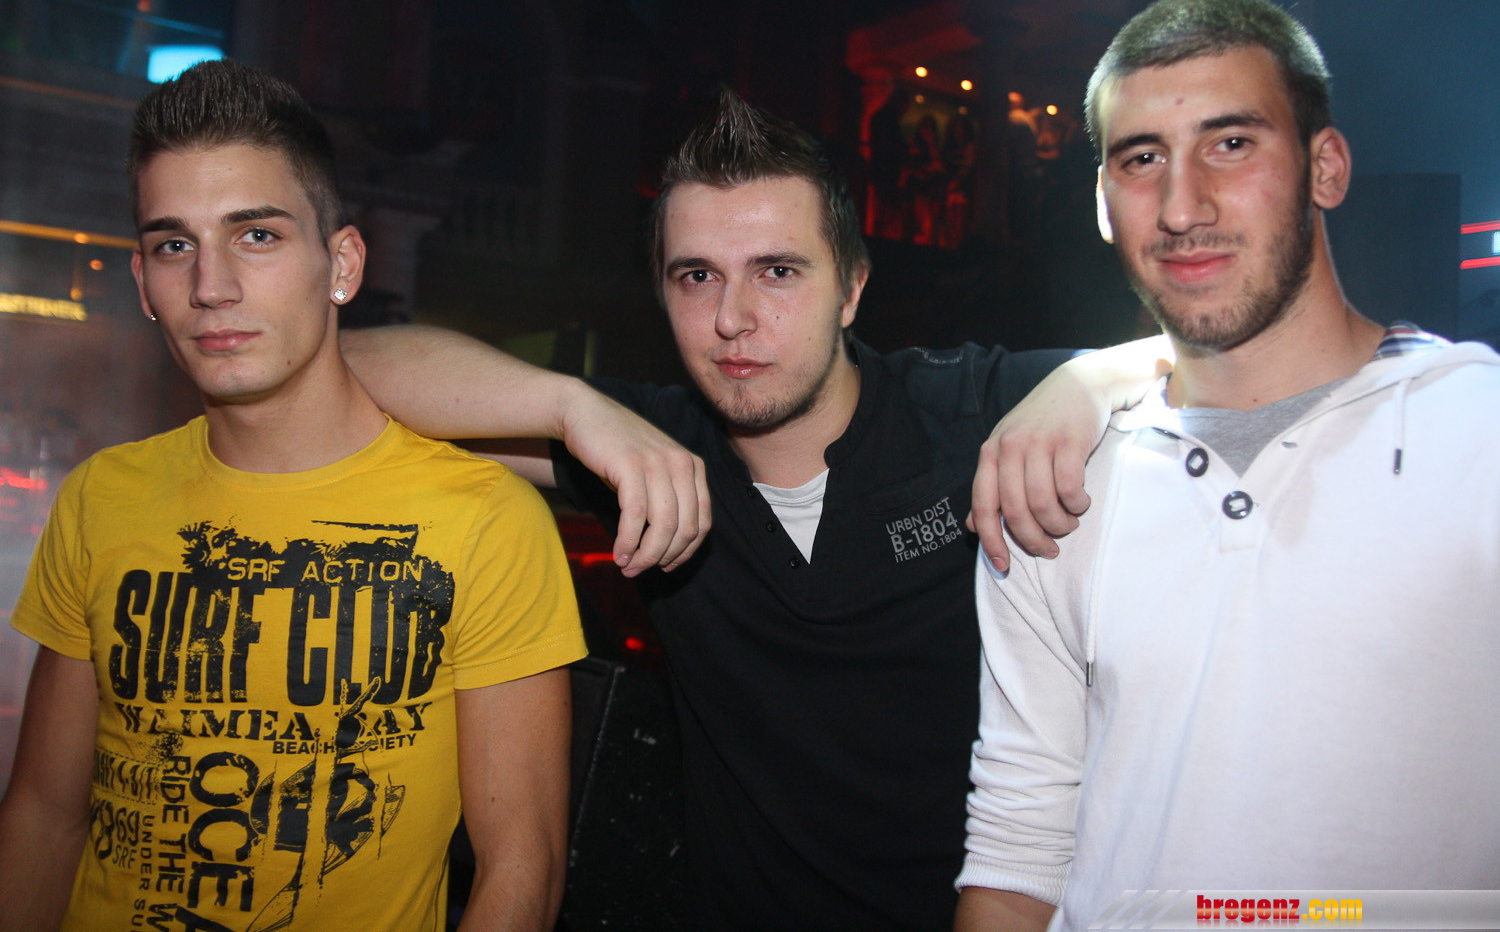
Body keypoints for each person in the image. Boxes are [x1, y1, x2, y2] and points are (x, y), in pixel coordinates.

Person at [343, 89, 1168, 930]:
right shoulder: (649, 447)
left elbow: (1215, 353)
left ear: (851, 289)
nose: (732, 319)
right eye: (697, 277)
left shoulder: (968, 408)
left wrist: (1091, 378)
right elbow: (341, 371)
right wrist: (569, 408)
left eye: (778, 272)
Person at [956, 0, 1500, 932]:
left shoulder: (1475, 431)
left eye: (1231, 143)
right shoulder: (1053, 479)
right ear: (1102, 203)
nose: (1182, 206)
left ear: (1325, 166)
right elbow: (1016, 855)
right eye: (1141, 159)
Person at [0, 60, 586, 932]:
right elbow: (44, 817)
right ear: (143, 283)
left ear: (341, 264)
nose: (211, 287)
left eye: (257, 235)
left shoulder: (484, 521)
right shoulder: (101, 497)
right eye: (174, 246)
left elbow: (522, 874)